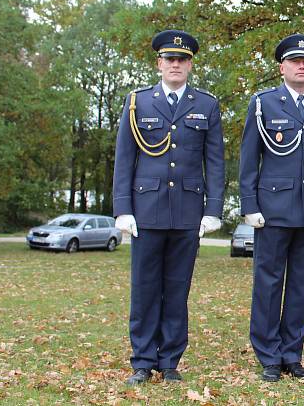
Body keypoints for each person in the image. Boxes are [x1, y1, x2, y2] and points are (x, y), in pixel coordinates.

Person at [113, 30, 225, 385]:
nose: (175, 64)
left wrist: (213, 209)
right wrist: (122, 209)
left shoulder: (206, 104)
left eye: (182, 59)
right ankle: (143, 361)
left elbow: (215, 161)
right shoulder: (137, 102)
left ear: (190, 64)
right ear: (159, 63)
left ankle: (170, 360)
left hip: (188, 211)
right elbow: (124, 160)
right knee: (145, 288)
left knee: (177, 289)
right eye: (169, 59)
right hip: (146, 210)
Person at [239, 34, 304, 381]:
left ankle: (292, 354)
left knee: (301, 285)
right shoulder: (263, 103)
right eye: (295, 61)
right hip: (271, 209)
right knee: (268, 283)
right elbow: (249, 160)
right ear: (282, 67)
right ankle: (268, 355)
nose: (302, 66)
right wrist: (249, 204)